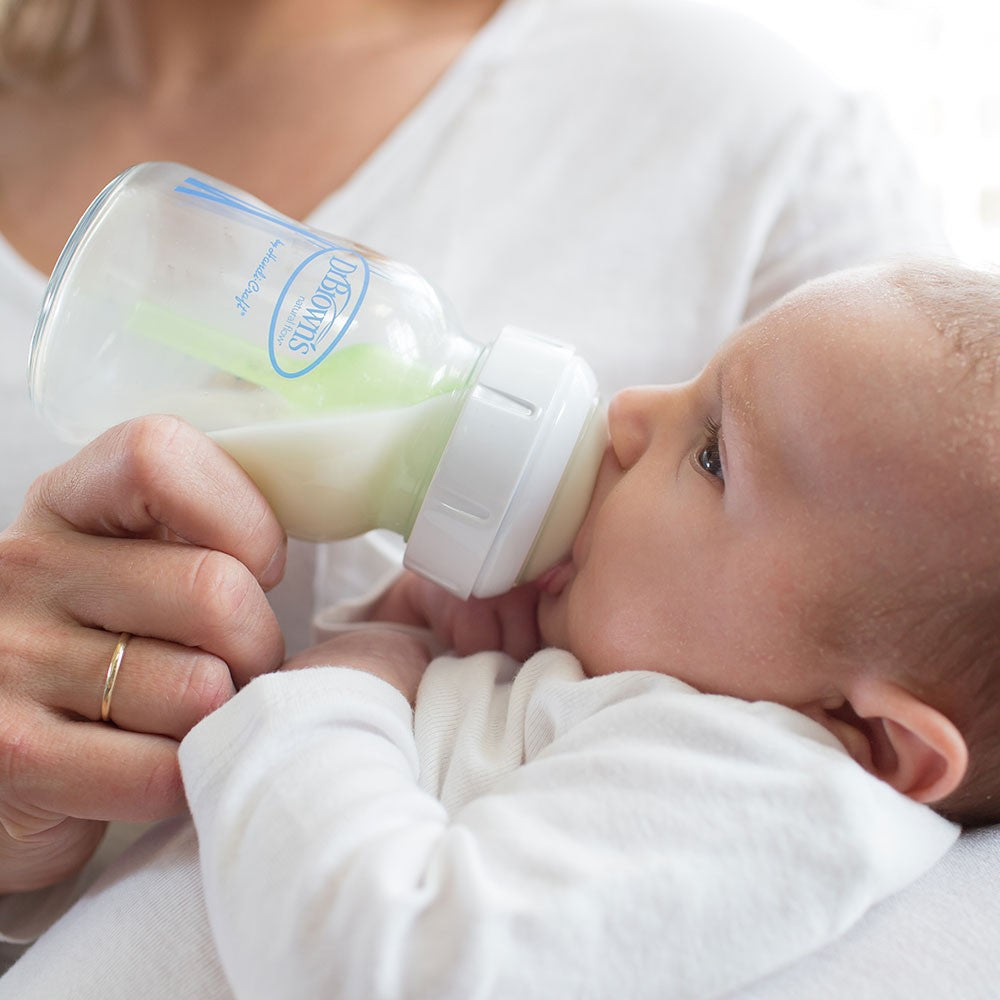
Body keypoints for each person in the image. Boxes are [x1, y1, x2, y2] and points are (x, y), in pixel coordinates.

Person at [0, 0, 976, 980]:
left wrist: (348, 678)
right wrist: (394, 639)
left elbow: (390, 953)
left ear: (869, 737)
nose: (628, 409)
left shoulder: (756, 785)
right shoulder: (603, 705)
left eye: (712, 454)